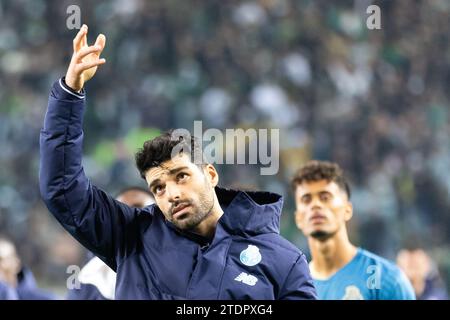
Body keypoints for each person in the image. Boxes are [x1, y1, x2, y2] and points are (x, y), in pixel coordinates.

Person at [39, 24, 317, 300]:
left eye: (181, 176)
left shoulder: (284, 261)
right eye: (158, 187)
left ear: (210, 174)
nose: (171, 194)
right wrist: (70, 93)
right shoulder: (131, 237)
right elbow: (62, 188)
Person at [291, 160, 415, 300]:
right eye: (306, 199)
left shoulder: (387, 280)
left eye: (325, 197)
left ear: (347, 210)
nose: (315, 205)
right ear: (298, 218)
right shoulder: (292, 289)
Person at [66, 187, 154, 300]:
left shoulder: (179, 264)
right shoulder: (88, 278)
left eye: (137, 209)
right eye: (120, 212)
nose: (129, 217)